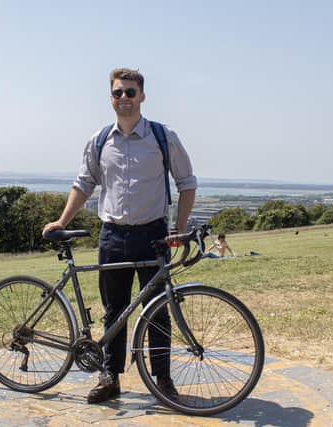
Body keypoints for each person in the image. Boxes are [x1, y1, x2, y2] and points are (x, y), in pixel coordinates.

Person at [43, 68, 197, 404]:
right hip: (112, 236)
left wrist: (179, 229)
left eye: (130, 92)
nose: (124, 99)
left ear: (142, 96)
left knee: (158, 310)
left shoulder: (162, 137)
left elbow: (187, 183)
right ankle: (109, 376)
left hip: (154, 235)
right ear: (110, 97)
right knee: (114, 310)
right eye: (118, 93)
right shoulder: (100, 140)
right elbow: (84, 183)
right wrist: (61, 219)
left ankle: (163, 379)